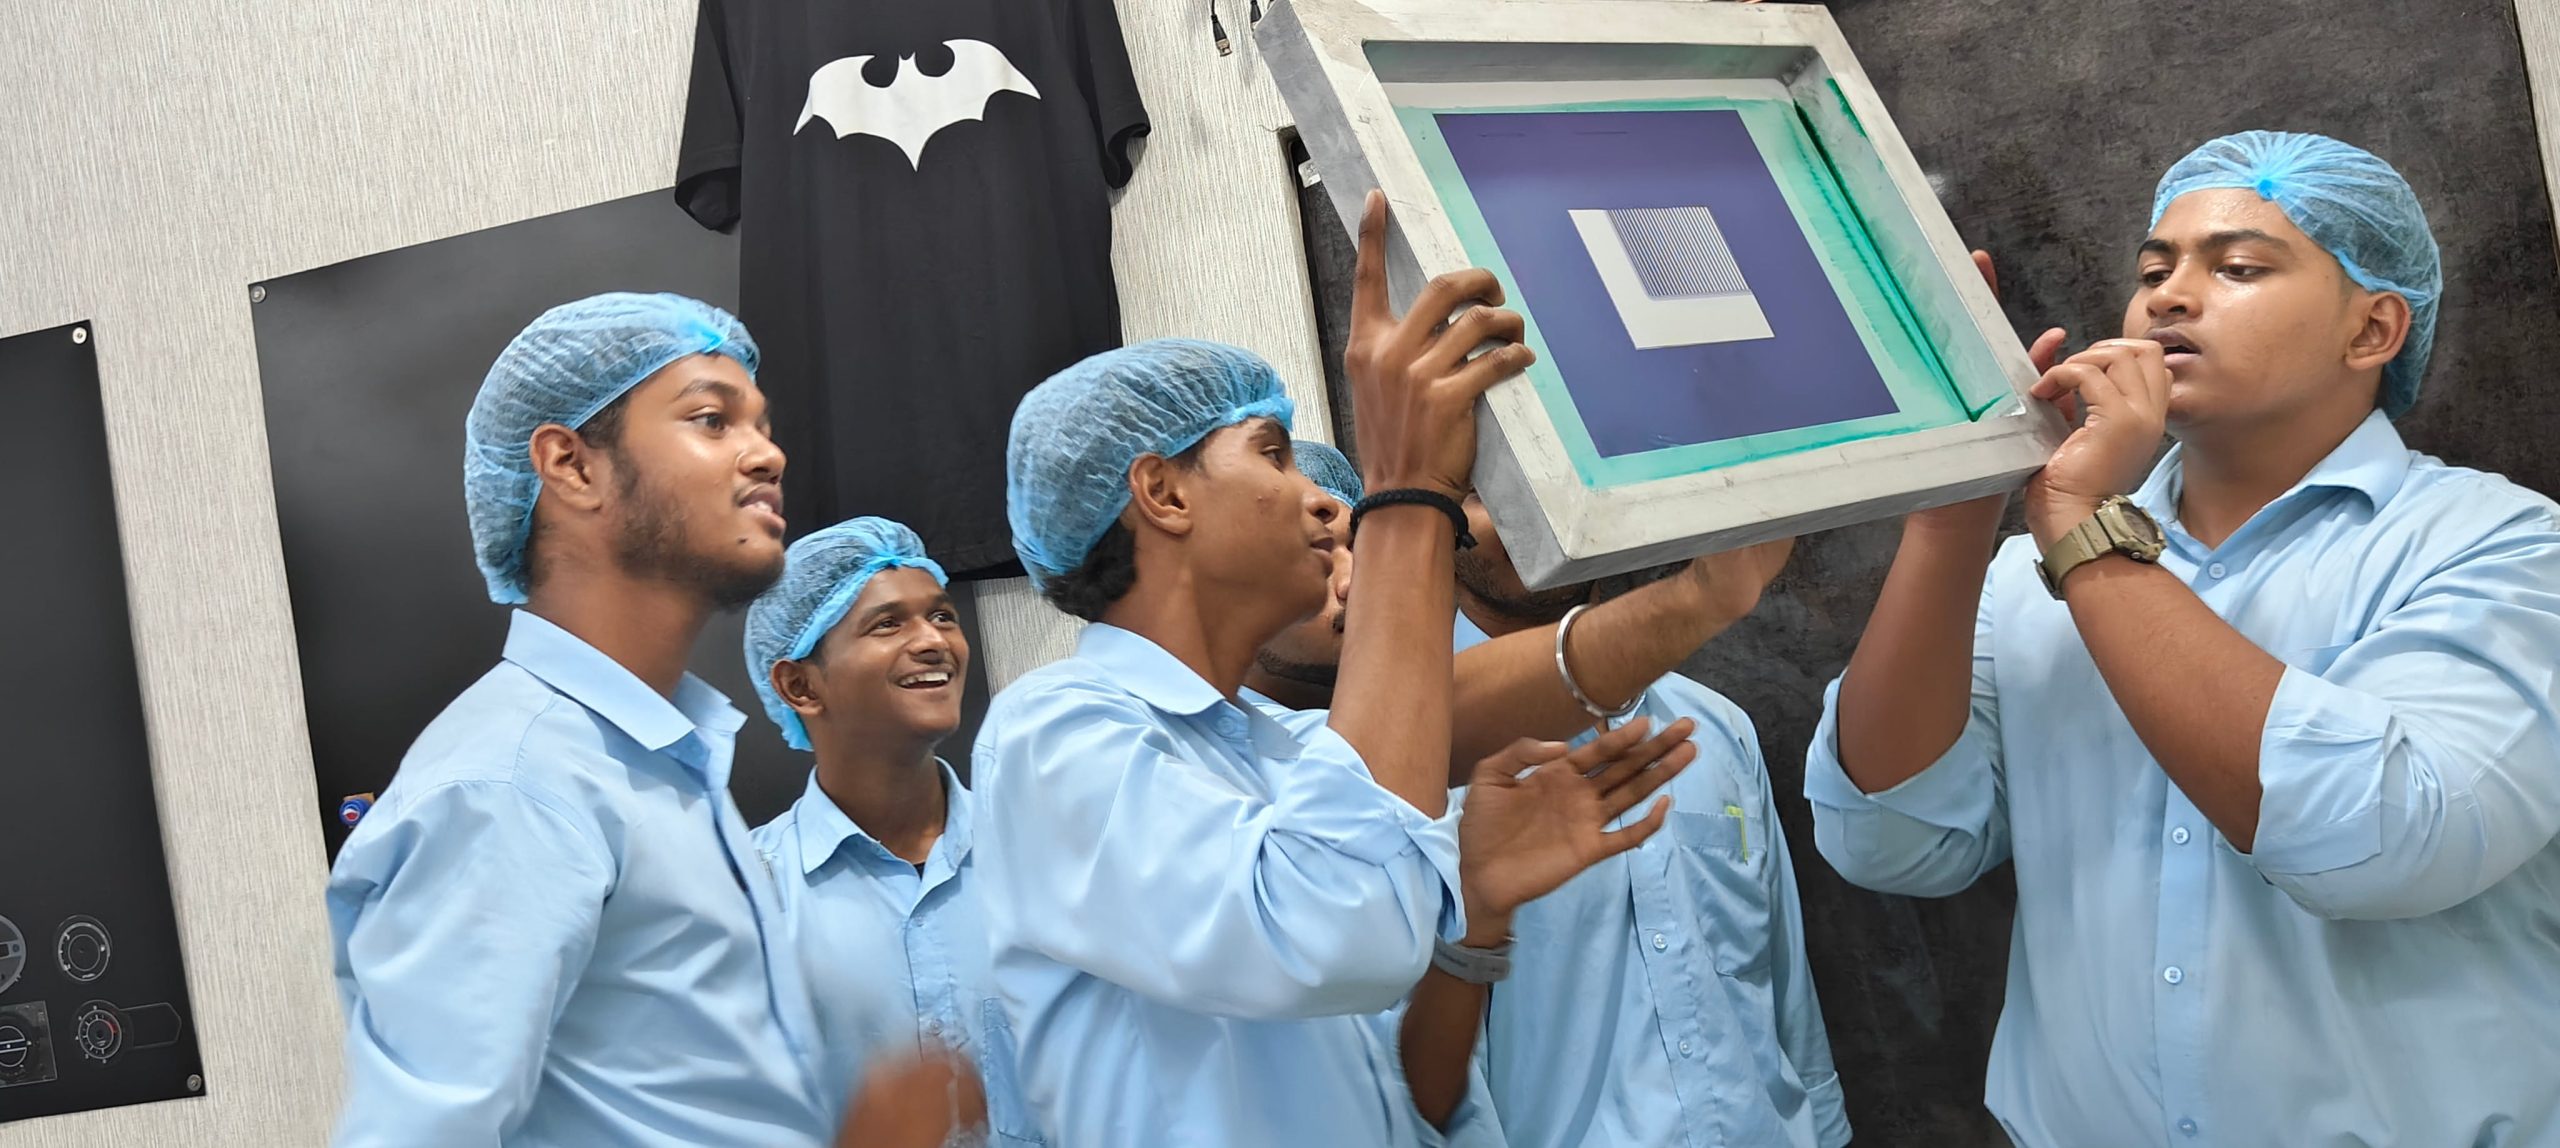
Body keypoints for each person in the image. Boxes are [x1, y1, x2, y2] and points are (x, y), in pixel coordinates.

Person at [1808, 130, 2560, 1146]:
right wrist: (1954, 510)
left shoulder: (2504, 547)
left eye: (2238, 267)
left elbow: (2387, 844)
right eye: (2153, 269)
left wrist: (2083, 527)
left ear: (2373, 328)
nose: (2169, 297)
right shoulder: (2026, 580)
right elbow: (1892, 843)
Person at [973, 192, 1691, 1146]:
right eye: (1273, 455)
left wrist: (1703, 597)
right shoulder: (1055, 734)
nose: (1326, 504)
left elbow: (1464, 704)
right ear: (1162, 492)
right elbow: (1333, 926)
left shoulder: (1278, 745)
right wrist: (1408, 493)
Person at [327, 293, 973, 1148]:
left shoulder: (660, 770)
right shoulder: (509, 789)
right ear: (571, 466)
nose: (768, 453)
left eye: (762, 424)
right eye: (712, 419)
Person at [1245, 442, 1843, 1148]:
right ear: (1430, 520)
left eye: (1561, 471)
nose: (1531, 503)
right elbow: (1388, 1082)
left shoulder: (1716, 726)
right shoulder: (1392, 761)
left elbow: (1781, 992)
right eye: (1483, 488)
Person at [742, 516, 1047, 1144]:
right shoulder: (749, 894)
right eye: (887, 624)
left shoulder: (1044, 855)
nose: (934, 641)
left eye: (942, 616)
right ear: (799, 685)